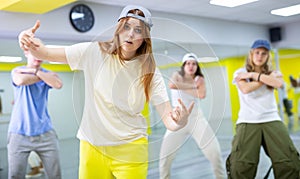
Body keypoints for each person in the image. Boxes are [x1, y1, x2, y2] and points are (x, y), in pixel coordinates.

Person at [18, 5, 194, 179]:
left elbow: (168, 119)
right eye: (126, 26)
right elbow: (44, 52)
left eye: (138, 30)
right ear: (118, 29)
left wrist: (179, 122)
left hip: (131, 148)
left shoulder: (150, 71)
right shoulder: (94, 52)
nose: (131, 34)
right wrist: (25, 38)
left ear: (145, 38)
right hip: (92, 147)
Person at [226, 39, 300, 179]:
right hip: (248, 121)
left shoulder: (275, 73)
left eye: (264, 53)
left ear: (268, 56)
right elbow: (246, 89)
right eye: (257, 52)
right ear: (251, 54)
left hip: (272, 119)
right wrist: (265, 78)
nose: (260, 56)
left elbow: (278, 83)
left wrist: (254, 75)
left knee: (288, 162)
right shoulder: (240, 72)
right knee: (241, 165)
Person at [159, 53, 226, 179]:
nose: (191, 66)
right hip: (178, 120)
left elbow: (201, 95)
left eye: (194, 64)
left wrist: (186, 86)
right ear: (184, 66)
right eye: (188, 63)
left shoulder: (200, 79)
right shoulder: (177, 75)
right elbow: (172, 85)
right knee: (165, 157)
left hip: (197, 119)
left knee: (215, 153)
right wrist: (193, 86)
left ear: (197, 66)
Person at [8, 50, 63, 179]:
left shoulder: (45, 73)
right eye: (34, 52)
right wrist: (43, 75)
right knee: (15, 175)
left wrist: (36, 72)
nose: (38, 56)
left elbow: (58, 84)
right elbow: (20, 80)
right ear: (26, 53)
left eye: (40, 53)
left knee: (55, 175)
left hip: (46, 134)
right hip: (18, 134)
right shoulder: (17, 70)